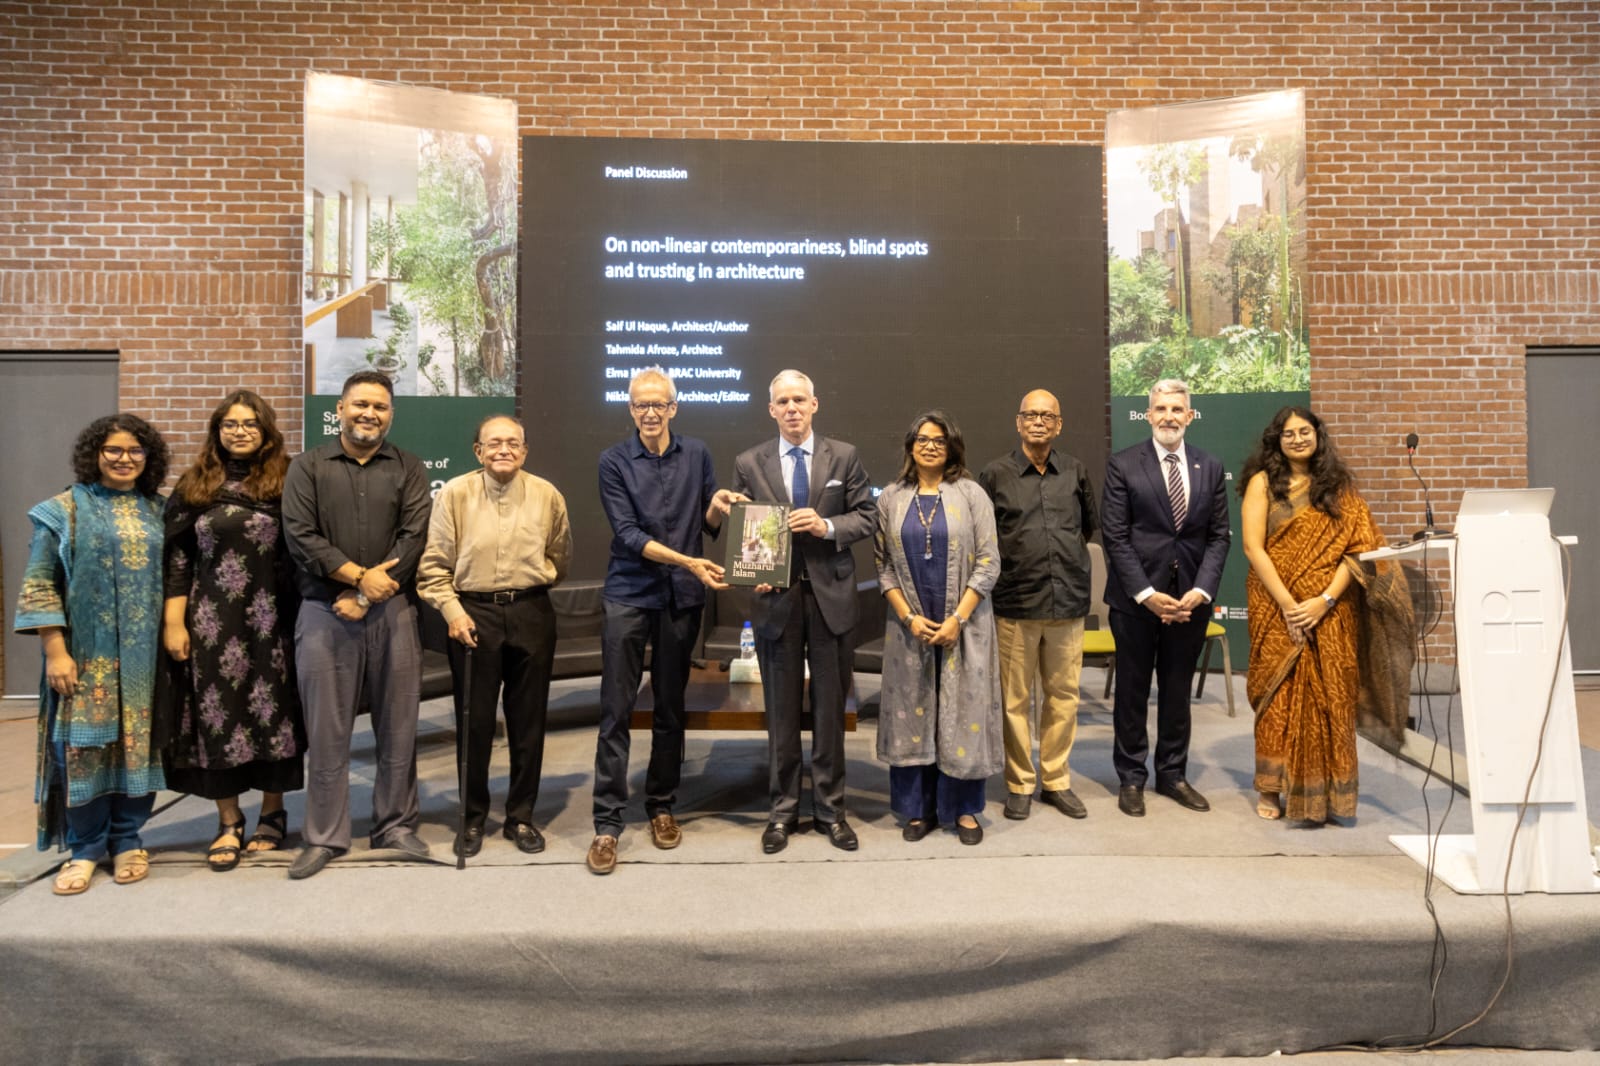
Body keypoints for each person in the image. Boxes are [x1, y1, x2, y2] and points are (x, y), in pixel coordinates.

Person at [587, 367, 739, 875]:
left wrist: (717, 508)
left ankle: (661, 806)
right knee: (615, 709)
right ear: (630, 409)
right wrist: (689, 561)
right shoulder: (613, 461)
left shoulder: (696, 453)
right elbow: (628, 535)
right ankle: (607, 824)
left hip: (681, 600)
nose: (649, 413)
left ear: (674, 407)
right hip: (630, 597)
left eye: (659, 404)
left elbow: (707, 526)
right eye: (639, 405)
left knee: (670, 707)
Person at [280, 370, 432, 879]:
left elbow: (414, 538)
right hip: (325, 610)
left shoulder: (408, 467)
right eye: (361, 404)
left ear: (391, 414)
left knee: (399, 725)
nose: (370, 414)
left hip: (392, 613)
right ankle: (324, 836)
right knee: (327, 729)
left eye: (381, 407)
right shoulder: (307, 466)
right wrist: (357, 580)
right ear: (340, 409)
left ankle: (395, 826)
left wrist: (368, 595)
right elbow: (300, 535)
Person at [15, 414, 170, 895]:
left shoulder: (159, 511)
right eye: (114, 451)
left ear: (149, 459)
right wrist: (56, 651)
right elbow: (40, 584)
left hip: (145, 660)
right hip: (84, 657)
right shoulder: (63, 511)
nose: (125, 459)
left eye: (135, 451)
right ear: (95, 455)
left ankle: (128, 839)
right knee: (81, 749)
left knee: (138, 750)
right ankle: (84, 849)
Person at [1240, 406, 1413, 823]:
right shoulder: (1263, 484)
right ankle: (1271, 788)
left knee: (1331, 699)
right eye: (1288, 433)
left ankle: (1329, 792)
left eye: (1304, 431)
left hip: (1331, 610)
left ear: (1318, 435)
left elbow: (1358, 551)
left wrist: (1325, 601)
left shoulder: (1340, 488)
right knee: (1277, 697)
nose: (1297, 439)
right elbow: (1253, 547)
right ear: (1276, 441)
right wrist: (1288, 606)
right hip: (1274, 604)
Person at [158, 390, 305, 872]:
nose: (239, 431)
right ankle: (228, 821)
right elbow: (177, 559)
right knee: (217, 716)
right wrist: (174, 623)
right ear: (216, 430)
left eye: (249, 424)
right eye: (229, 424)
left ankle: (273, 811)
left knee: (273, 714)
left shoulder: (289, 479)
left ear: (266, 431)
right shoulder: (194, 485)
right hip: (210, 624)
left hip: (273, 621)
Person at [731, 370, 875, 854]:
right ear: (770, 409)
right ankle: (783, 812)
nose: (792, 408)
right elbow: (743, 532)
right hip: (776, 600)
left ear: (815, 405)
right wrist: (755, 568)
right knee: (781, 714)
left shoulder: (845, 456)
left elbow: (868, 516)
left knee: (831, 713)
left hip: (830, 598)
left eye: (799, 399)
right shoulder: (749, 462)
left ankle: (832, 811)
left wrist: (827, 524)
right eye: (782, 401)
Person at [418, 414, 572, 858]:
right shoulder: (454, 494)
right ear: (478, 451)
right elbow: (433, 567)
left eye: (513, 443)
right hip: (472, 615)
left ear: (525, 451)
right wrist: (452, 610)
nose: (504, 450)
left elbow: (560, 557)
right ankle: (472, 818)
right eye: (494, 443)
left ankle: (521, 816)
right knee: (475, 722)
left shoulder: (547, 495)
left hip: (531, 611)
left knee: (529, 723)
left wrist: (529, 590)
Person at [1100, 379, 1230, 817]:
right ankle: (1131, 779)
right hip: (1136, 602)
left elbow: (1217, 537)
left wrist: (1201, 590)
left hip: (1190, 601)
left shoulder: (1209, 467)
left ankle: (1172, 775)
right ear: (1148, 415)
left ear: (1189, 416)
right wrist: (1147, 594)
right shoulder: (1123, 465)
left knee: (1177, 693)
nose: (1169, 417)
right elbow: (1115, 538)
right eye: (1161, 409)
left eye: (1177, 409)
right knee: (1132, 693)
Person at [874, 410, 1002, 845]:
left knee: (962, 712)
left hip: (963, 623)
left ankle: (963, 810)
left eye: (940, 440)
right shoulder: (890, 497)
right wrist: (908, 617)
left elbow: (989, 561)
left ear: (953, 448)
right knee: (913, 711)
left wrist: (957, 618)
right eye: (922, 439)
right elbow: (884, 567)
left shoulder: (971, 495)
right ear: (910, 446)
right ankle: (918, 809)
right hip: (909, 625)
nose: (930, 446)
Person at [979, 389, 1098, 822]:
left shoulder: (1076, 472)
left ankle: (1056, 780)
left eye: (1048, 416)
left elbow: (1086, 527)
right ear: (1018, 421)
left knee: (1063, 695)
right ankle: (1019, 783)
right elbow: (985, 538)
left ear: (1059, 424)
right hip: (1015, 602)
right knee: (1015, 700)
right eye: (1031, 414)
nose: (1039, 422)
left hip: (1066, 600)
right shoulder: (995, 474)